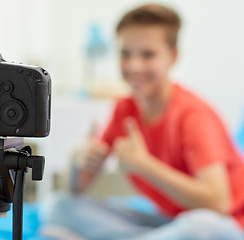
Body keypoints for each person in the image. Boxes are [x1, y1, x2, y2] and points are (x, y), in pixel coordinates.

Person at [42, 4, 244, 240]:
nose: (134, 66)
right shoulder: (124, 109)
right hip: (168, 225)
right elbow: (77, 189)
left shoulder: (192, 115)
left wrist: (144, 165)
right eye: (125, 54)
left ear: (173, 56)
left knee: (202, 226)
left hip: (225, 226)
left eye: (148, 54)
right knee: (57, 206)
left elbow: (218, 204)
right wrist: (77, 161)